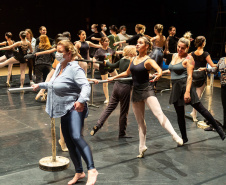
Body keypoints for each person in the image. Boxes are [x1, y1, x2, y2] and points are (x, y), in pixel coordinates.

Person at [32, 40, 98, 185]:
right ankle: (79, 172)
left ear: (69, 53)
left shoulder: (74, 68)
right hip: (64, 109)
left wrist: (81, 100)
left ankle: (92, 169)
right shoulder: (59, 67)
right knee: (68, 141)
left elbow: (85, 86)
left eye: (60, 51)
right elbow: (54, 83)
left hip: (75, 107)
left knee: (76, 136)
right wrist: (40, 85)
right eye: (57, 50)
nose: (57, 53)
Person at [107, 36, 183, 158]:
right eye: (137, 43)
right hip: (136, 91)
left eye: (140, 43)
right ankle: (142, 147)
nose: (137, 44)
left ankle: (174, 135)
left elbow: (157, 67)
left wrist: (158, 73)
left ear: (147, 46)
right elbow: (127, 73)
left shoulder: (148, 60)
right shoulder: (133, 59)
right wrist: (113, 77)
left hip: (147, 89)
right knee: (140, 121)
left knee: (158, 114)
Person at [161, 35, 225, 143]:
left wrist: (187, 92)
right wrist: (160, 73)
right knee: (180, 114)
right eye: (179, 47)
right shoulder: (174, 56)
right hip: (176, 87)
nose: (180, 49)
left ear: (187, 48)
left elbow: (190, 76)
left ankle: (218, 129)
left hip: (185, 86)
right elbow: (172, 70)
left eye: (183, 48)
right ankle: (184, 138)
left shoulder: (189, 58)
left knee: (200, 108)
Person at [90, 45, 136, 137]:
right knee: (124, 111)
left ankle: (98, 125)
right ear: (131, 53)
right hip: (125, 87)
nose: (136, 53)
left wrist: (106, 62)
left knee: (109, 108)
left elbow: (112, 65)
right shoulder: (133, 62)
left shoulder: (122, 60)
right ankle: (122, 133)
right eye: (135, 52)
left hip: (117, 86)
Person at [189, 36, 217, 122]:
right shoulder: (205, 54)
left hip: (193, 75)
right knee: (198, 96)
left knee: (195, 96)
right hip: (201, 76)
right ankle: (194, 113)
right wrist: (220, 63)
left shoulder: (192, 53)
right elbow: (213, 65)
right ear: (203, 43)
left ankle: (193, 112)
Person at [93, 37, 122, 104]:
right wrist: (94, 59)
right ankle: (107, 98)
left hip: (110, 66)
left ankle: (119, 95)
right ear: (102, 42)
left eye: (108, 41)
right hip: (103, 68)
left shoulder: (109, 49)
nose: (108, 42)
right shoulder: (99, 50)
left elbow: (116, 52)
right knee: (105, 84)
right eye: (106, 41)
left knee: (118, 79)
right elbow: (95, 57)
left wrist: (125, 52)